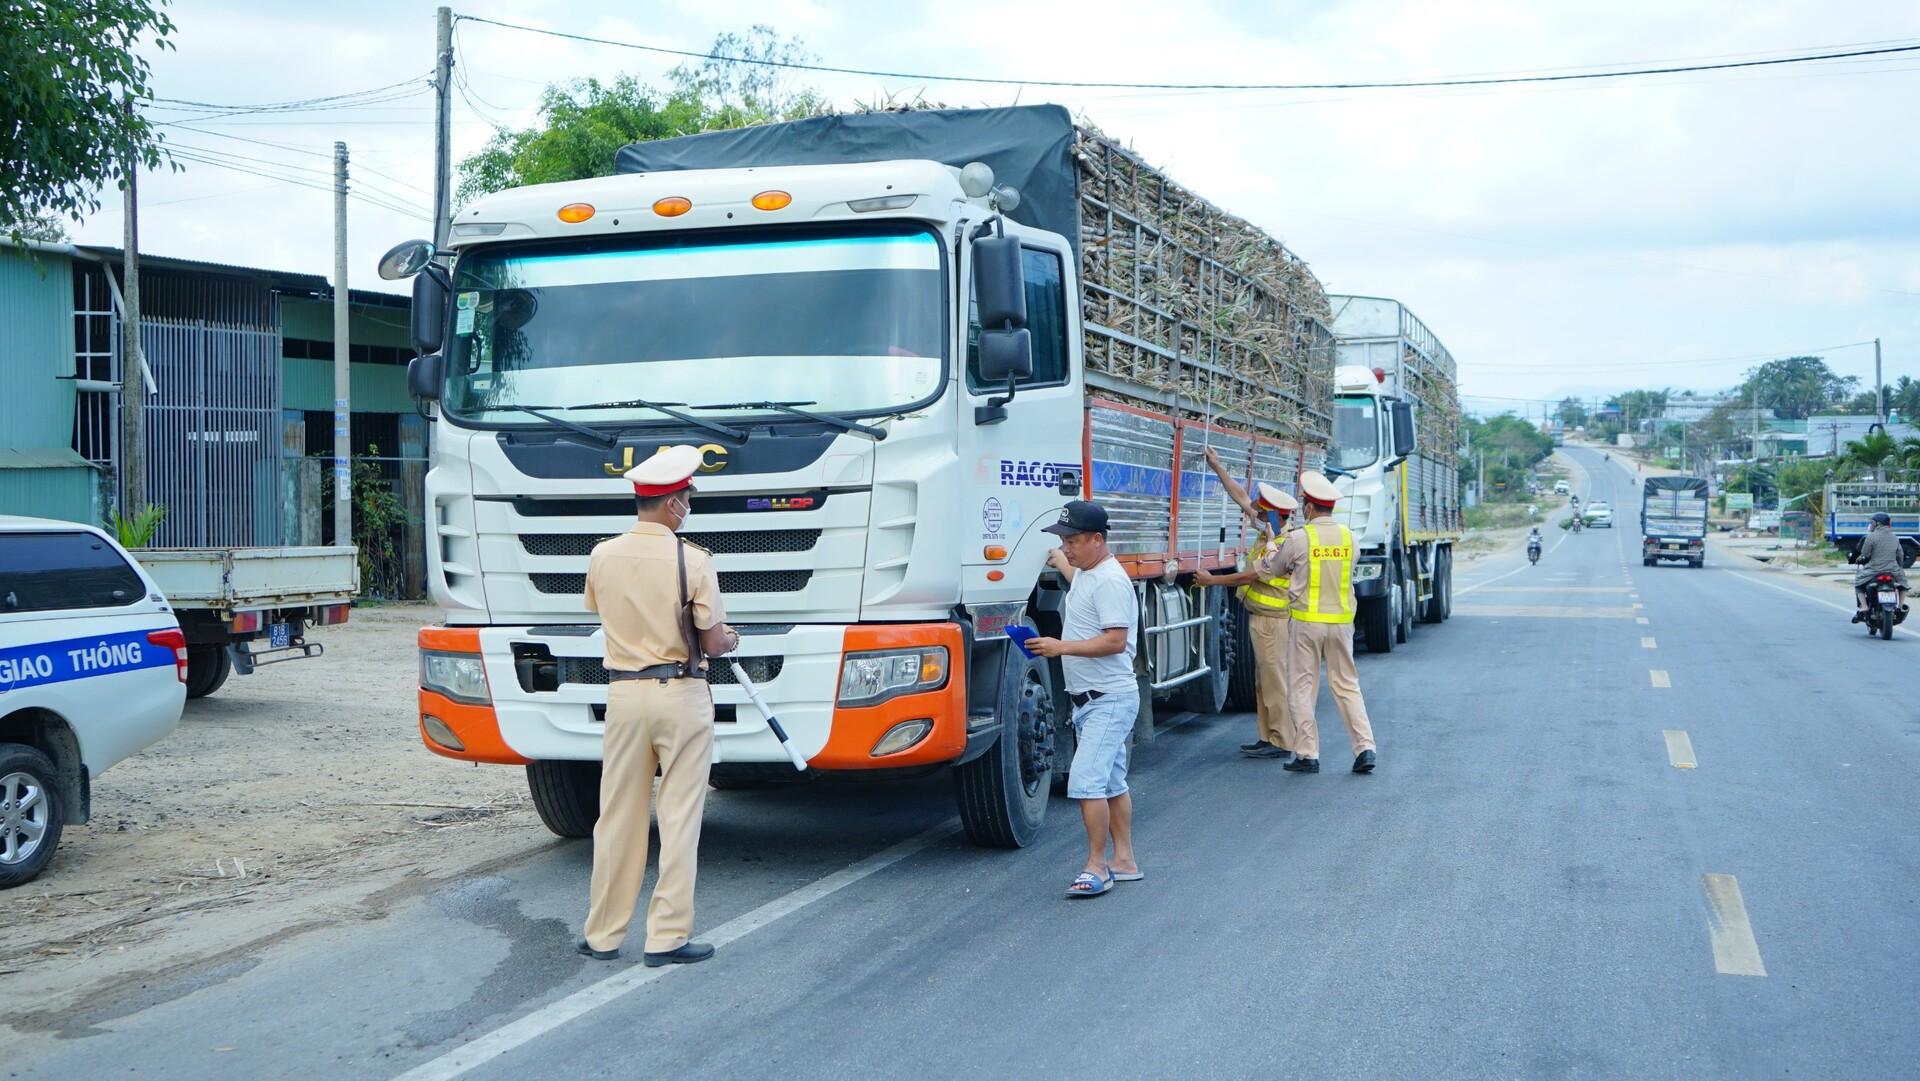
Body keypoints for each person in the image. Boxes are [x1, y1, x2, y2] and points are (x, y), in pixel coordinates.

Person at [577, 444, 740, 965]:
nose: (688, 504)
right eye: (687, 497)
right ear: (673, 505)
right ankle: (666, 938)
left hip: (624, 695)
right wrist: (730, 638)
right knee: (679, 814)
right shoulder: (693, 560)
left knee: (617, 816)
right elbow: (711, 643)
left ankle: (603, 935)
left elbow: (602, 611)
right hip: (680, 694)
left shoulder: (602, 554)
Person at [1026, 501, 1141, 898]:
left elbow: (1115, 641)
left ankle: (1098, 866)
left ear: (1097, 539)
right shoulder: (1090, 574)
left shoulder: (1110, 581)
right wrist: (1060, 562)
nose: (1068, 547)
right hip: (1094, 700)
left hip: (1108, 699)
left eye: (1073, 540)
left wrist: (1062, 647)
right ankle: (1124, 860)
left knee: (1086, 781)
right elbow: (1079, 579)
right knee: (1111, 781)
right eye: (1063, 540)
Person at [1257, 471, 1377, 775]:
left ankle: (1307, 753)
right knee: (1347, 686)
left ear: (1309, 508)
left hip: (1306, 625)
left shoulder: (1300, 538)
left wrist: (1271, 548)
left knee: (1302, 688)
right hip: (1340, 624)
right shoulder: (1351, 538)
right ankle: (1365, 747)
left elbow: (1272, 571)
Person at [1194, 446, 1299, 761]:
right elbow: (1241, 497)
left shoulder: (1282, 543)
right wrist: (1217, 466)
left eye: (1261, 510)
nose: (1255, 512)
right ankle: (1269, 737)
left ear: (1276, 516)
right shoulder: (1271, 530)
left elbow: (1249, 576)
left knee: (1275, 680)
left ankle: (1283, 741)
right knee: (1262, 681)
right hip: (1262, 619)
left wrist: (1211, 581)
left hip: (1274, 621)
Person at [1851, 512, 1910, 622]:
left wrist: (1860, 558)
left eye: (1872, 522)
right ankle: (1900, 606)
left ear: (1877, 524)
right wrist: (1900, 567)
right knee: (1903, 585)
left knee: (1858, 583)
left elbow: (1865, 554)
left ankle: (1864, 606)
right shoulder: (1894, 537)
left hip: (1874, 569)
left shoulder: (1871, 537)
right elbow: (1900, 554)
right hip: (1893, 570)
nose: (1870, 524)